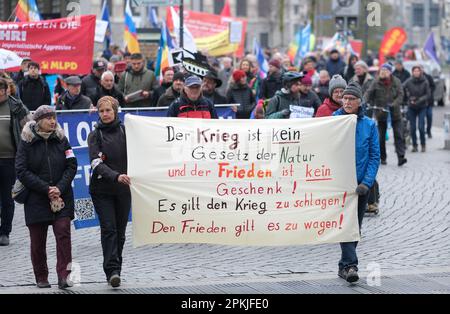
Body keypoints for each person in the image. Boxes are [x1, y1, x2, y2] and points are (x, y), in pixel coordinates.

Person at [15, 105, 77, 289]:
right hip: (36, 198)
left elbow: (72, 164)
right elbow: (21, 170)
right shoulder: (26, 142)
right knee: (37, 241)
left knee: (63, 233)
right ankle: (41, 276)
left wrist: (58, 187)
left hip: (61, 196)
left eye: (54, 117)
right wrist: (46, 188)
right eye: (48, 118)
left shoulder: (62, 139)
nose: (52, 121)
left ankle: (64, 276)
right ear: (38, 121)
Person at [333, 82, 380, 283]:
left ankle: (344, 265)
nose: (348, 101)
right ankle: (351, 265)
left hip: (360, 186)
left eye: (352, 98)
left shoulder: (369, 125)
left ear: (360, 101)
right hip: (339, 184)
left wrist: (367, 183)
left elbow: (374, 156)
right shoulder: (333, 121)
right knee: (346, 225)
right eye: (345, 98)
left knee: (355, 227)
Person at [88, 96, 131, 288]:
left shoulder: (125, 132)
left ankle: (117, 269)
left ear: (115, 111)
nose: (105, 114)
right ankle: (111, 270)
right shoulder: (94, 135)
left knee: (120, 232)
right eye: (101, 111)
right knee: (109, 229)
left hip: (123, 190)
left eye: (108, 110)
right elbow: (96, 164)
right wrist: (116, 176)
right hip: (102, 190)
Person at [0, 79, 30, 246]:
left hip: (9, 160)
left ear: (6, 90)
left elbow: (30, 128)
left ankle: (5, 231)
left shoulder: (16, 107)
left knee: (6, 197)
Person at [365, 63, 407, 166]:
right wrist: (363, 101)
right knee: (380, 137)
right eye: (382, 69)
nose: (383, 72)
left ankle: (401, 157)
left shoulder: (396, 81)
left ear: (390, 71)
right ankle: (382, 157)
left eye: (386, 70)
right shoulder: (376, 82)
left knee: (399, 135)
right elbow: (368, 93)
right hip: (381, 113)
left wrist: (394, 104)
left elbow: (401, 95)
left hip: (395, 113)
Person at [403, 65, 431, 153]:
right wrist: (407, 97)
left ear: (420, 72)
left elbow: (428, 95)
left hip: (422, 106)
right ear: (412, 72)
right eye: (414, 71)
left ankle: (423, 144)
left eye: (418, 71)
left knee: (421, 127)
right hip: (411, 107)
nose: (416, 73)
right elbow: (401, 87)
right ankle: (415, 145)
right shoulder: (409, 81)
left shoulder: (425, 81)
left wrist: (419, 100)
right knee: (413, 128)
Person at [423, 71, 436, 139]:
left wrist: (428, 92)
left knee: (429, 116)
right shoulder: (414, 78)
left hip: (429, 102)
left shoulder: (428, 77)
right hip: (421, 103)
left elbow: (434, 86)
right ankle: (422, 131)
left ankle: (428, 131)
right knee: (421, 119)